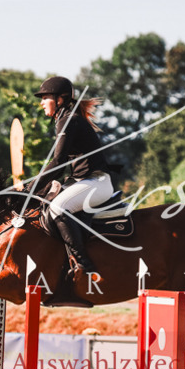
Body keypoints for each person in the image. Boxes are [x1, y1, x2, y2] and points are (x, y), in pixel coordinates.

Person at [32, 76, 114, 277]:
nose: (41, 102)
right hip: (84, 181)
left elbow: (58, 162)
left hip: (97, 183)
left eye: (45, 97)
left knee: (58, 208)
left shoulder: (68, 120)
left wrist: (31, 186)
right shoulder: (66, 119)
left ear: (60, 99)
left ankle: (84, 265)